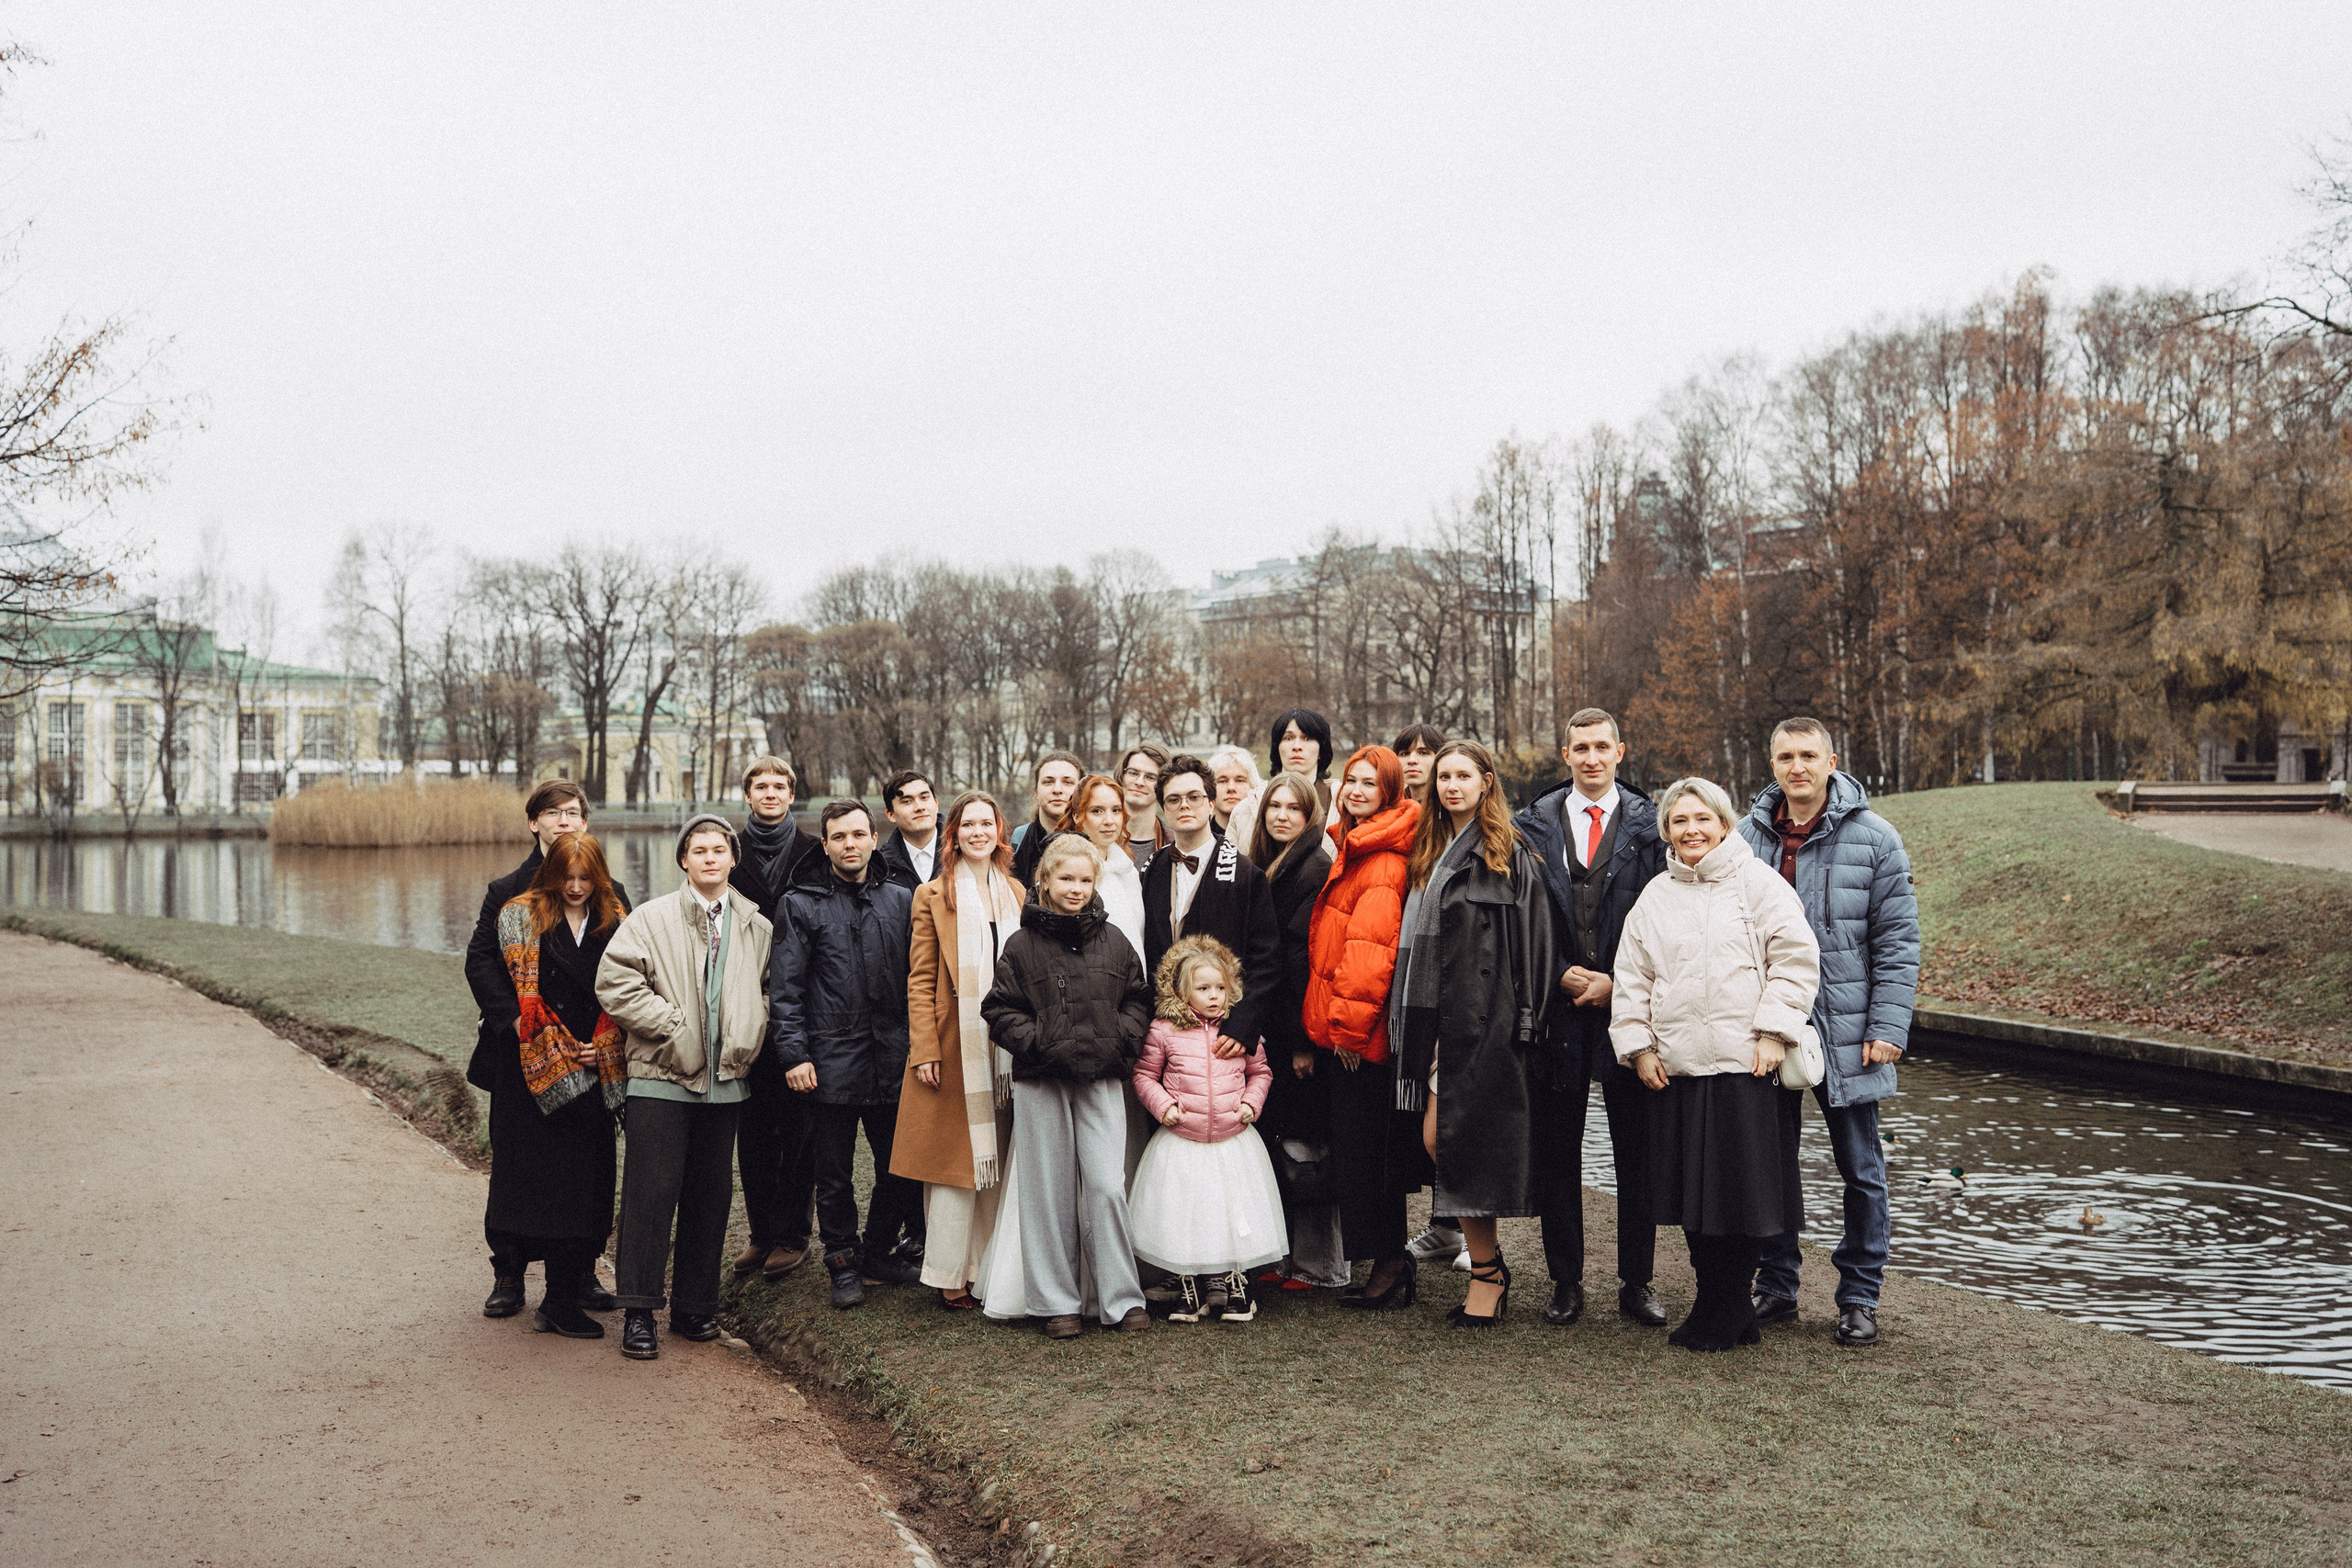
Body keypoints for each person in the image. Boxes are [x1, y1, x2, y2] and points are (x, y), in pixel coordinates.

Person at [1610, 777, 1820, 1353]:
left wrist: (1776, 1032)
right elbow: (1632, 977)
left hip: (1745, 1065)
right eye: (1679, 821)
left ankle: (1725, 1307)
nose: (1691, 830)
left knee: (1742, 1196)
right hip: (1678, 1069)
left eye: (1702, 819)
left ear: (1724, 824)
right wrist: (1639, 1047)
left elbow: (1796, 960)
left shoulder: (1759, 884)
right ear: (1667, 832)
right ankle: (1720, 1303)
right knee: (1695, 1198)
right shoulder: (1656, 895)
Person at [1738, 717, 1920, 1348]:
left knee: (1860, 1167)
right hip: (1768, 1026)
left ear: (1831, 760)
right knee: (1771, 1163)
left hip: (1849, 1027)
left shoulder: (1875, 838)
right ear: (1773, 764)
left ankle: (1859, 1295)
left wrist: (1888, 1025)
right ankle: (1778, 1283)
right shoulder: (1745, 837)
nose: (1798, 766)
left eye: (1808, 755)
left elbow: (1898, 942)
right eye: (1785, 755)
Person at [1510, 708, 1669, 1327]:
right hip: (1558, 1009)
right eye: (1581, 747)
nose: (1592, 757)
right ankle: (1566, 1280)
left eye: (1603, 746)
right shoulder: (1531, 826)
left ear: (1621, 750)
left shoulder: (1652, 826)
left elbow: (1665, 922)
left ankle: (1637, 1282)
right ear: (1566, 752)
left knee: (1638, 1150)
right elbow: (1519, 919)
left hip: (1627, 1007)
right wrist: (1555, 972)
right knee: (1559, 1149)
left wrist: (1619, 983)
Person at [596, 814, 775, 1361]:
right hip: (662, 1080)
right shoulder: (651, 919)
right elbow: (614, 982)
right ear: (683, 860)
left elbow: (769, 989)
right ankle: (639, 1312)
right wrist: (673, 1027)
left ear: (732, 858)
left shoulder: (756, 926)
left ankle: (696, 1308)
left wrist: (751, 1028)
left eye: (719, 850)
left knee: (710, 1197)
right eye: (698, 851)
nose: (709, 858)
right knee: (650, 1196)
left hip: (726, 1085)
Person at [1391, 741, 1555, 1326]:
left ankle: (1487, 1274)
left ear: (1487, 781)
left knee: (1450, 1142)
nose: (1451, 786)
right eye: (1443, 777)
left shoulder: (1508, 850)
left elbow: (1534, 941)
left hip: (1488, 1020)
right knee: (1443, 1142)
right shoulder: (1430, 848)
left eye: (1463, 775)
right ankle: (1488, 1267)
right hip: (1439, 1019)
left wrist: (1528, 1020)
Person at [980, 834, 1155, 1339]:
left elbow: (1137, 999)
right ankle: (1057, 1302)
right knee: (1048, 1191)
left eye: (1084, 880)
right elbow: (999, 1009)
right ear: (1046, 881)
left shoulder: (1115, 941)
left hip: (1100, 1077)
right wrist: (1037, 1043)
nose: (1076, 888)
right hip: (1043, 1079)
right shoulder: (1021, 944)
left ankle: (1120, 1299)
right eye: (1066, 879)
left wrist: (1120, 1038)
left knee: (1105, 1186)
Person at [465, 780, 627, 1318]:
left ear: (586, 823)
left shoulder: (612, 893)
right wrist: (514, 1020)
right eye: (552, 813)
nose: (564, 820)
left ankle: (580, 1272)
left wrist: (604, 1042)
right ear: (534, 822)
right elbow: (480, 961)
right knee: (520, 1165)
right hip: (525, 1055)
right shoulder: (506, 891)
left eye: (573, 812)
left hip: (590, 1054)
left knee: (591, 1165)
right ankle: (509, 1272)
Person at [769, 799, 922, 1311]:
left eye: (859, 834)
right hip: (829, 1058)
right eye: (839, 837)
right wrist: (794, 1055)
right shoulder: (800, 903)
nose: (850, 844)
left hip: (893, 1056)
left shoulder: (901, 899)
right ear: (825, 843)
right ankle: (841, 1260)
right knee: (832, 1172)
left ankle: (876, 1250)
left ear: (874, 837)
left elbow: (919, 981)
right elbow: (786, 989)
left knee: (898, 1168)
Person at [891, 792, 1024, 1311]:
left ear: (999, 831)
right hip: (956, 1045)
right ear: (954, 834)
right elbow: (920, 979)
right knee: (955, 1165)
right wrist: (924, 1047)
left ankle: (988, 1266)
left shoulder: (1015, 891)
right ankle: (950, 1272)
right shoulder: (932, 895)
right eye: (967, 824)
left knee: (999, 1160)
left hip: (1007, 1049)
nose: (976, 832)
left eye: (985, 824)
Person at [1303, 744, 1422, 1311]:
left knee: (1368, 1155)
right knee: (1362, 1152)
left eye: (1369, 785)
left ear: (1389, 794)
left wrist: (1348, 1034)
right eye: (1351, 780)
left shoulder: (1381, 859)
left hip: (1360, 1036)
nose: (1354, 791)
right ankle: (1386, 1260)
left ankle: (1391, 1264)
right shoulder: (1355, 846)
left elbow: (1371, 954)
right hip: (1345, 1030)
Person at [1128, 936, 1286, 1323]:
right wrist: (1163, 1106)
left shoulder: (1239, 1030)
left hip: (1233, 1138)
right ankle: (1188, 1285)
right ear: (1183, 991)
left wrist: (1251, 1102)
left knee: (1231, 1210)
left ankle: (1235, 1284)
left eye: (1220, 988)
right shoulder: (1164, 1030)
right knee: (1185, 1211)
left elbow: (1260, 1072)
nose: (1214, 996)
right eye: (1203, 988)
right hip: (1182, 1138)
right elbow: (1145, 1074)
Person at [1247, 770, 1344, 1291]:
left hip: (1299, 1029)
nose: (1281, 816)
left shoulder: (1314, 867)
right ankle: (1284, 1256)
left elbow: (1308, 960)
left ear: (1310, 816)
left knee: (1308, 1147)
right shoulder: (1271, 865)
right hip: (1276, 1026)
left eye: (1293, 808)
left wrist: (1306, 1041)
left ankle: (1318, 1263)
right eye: (1274, 807)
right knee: (1282, 1142)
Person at [730, 755, 823, 1285]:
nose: (769, 793)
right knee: (753, 1127)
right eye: (760, 786)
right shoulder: (730, 852)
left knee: (801, 1127)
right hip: (744, 1007)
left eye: (779, 786)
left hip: (801, 1004)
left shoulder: (813, 851)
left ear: (791, 794)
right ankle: (761, 1232)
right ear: (748, 795)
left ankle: (793, 1234)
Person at [1139, 754, 1283, 1057]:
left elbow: (1266, 961)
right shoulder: (1152, 871)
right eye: (1174, 800)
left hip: (1225, 1031)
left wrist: (1243, 1025)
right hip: (1166, 1031)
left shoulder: (1245, 875)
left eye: (1194, 797)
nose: (1184, 805)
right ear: (1164, 810)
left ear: (1211, 804)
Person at [1226, 708, 1337, 852]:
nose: (1296, 747)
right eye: (1288, 738)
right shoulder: (1246, 808)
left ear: (1321, 750)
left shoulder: (1340, 805)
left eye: (1307, 738)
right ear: (1277, 748)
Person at [1065, 772, 1147, 955]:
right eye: (1097, 811)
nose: (1109, 821)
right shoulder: (1065, 871)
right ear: (1078, 816)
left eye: (1116, 810)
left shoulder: (1128, 871)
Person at [1010, 750, 1085, 889]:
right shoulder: (1016, 840)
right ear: (1036, 791)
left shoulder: (1093, 841)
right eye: (1048, 782)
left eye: (1067, 782)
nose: (1057, 789)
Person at [876, 768, 942, 890]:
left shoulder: (963, 849)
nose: (919, 807)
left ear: (936, 804)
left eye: (924, 798)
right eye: (907, 801)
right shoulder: (881, 868)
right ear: (891, 815)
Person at [1115, 744, 1170, 870]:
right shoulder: (1097, 840)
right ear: (1122, 776)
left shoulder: (1175, 845)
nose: (1139, 782)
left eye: (1151, 777)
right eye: (1133, 773)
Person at [1206, 744, 1261, 837]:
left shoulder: (1265, 838)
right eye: (1222, 781)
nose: (1231, 788)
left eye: (1240, 780)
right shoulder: (1200, 840)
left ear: (1253, 786)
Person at [1390, 724, 1445, 806]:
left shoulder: (1450, 809)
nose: (1411, 760)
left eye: (1423, 753)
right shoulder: (1390, 809)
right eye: (1405, 754)